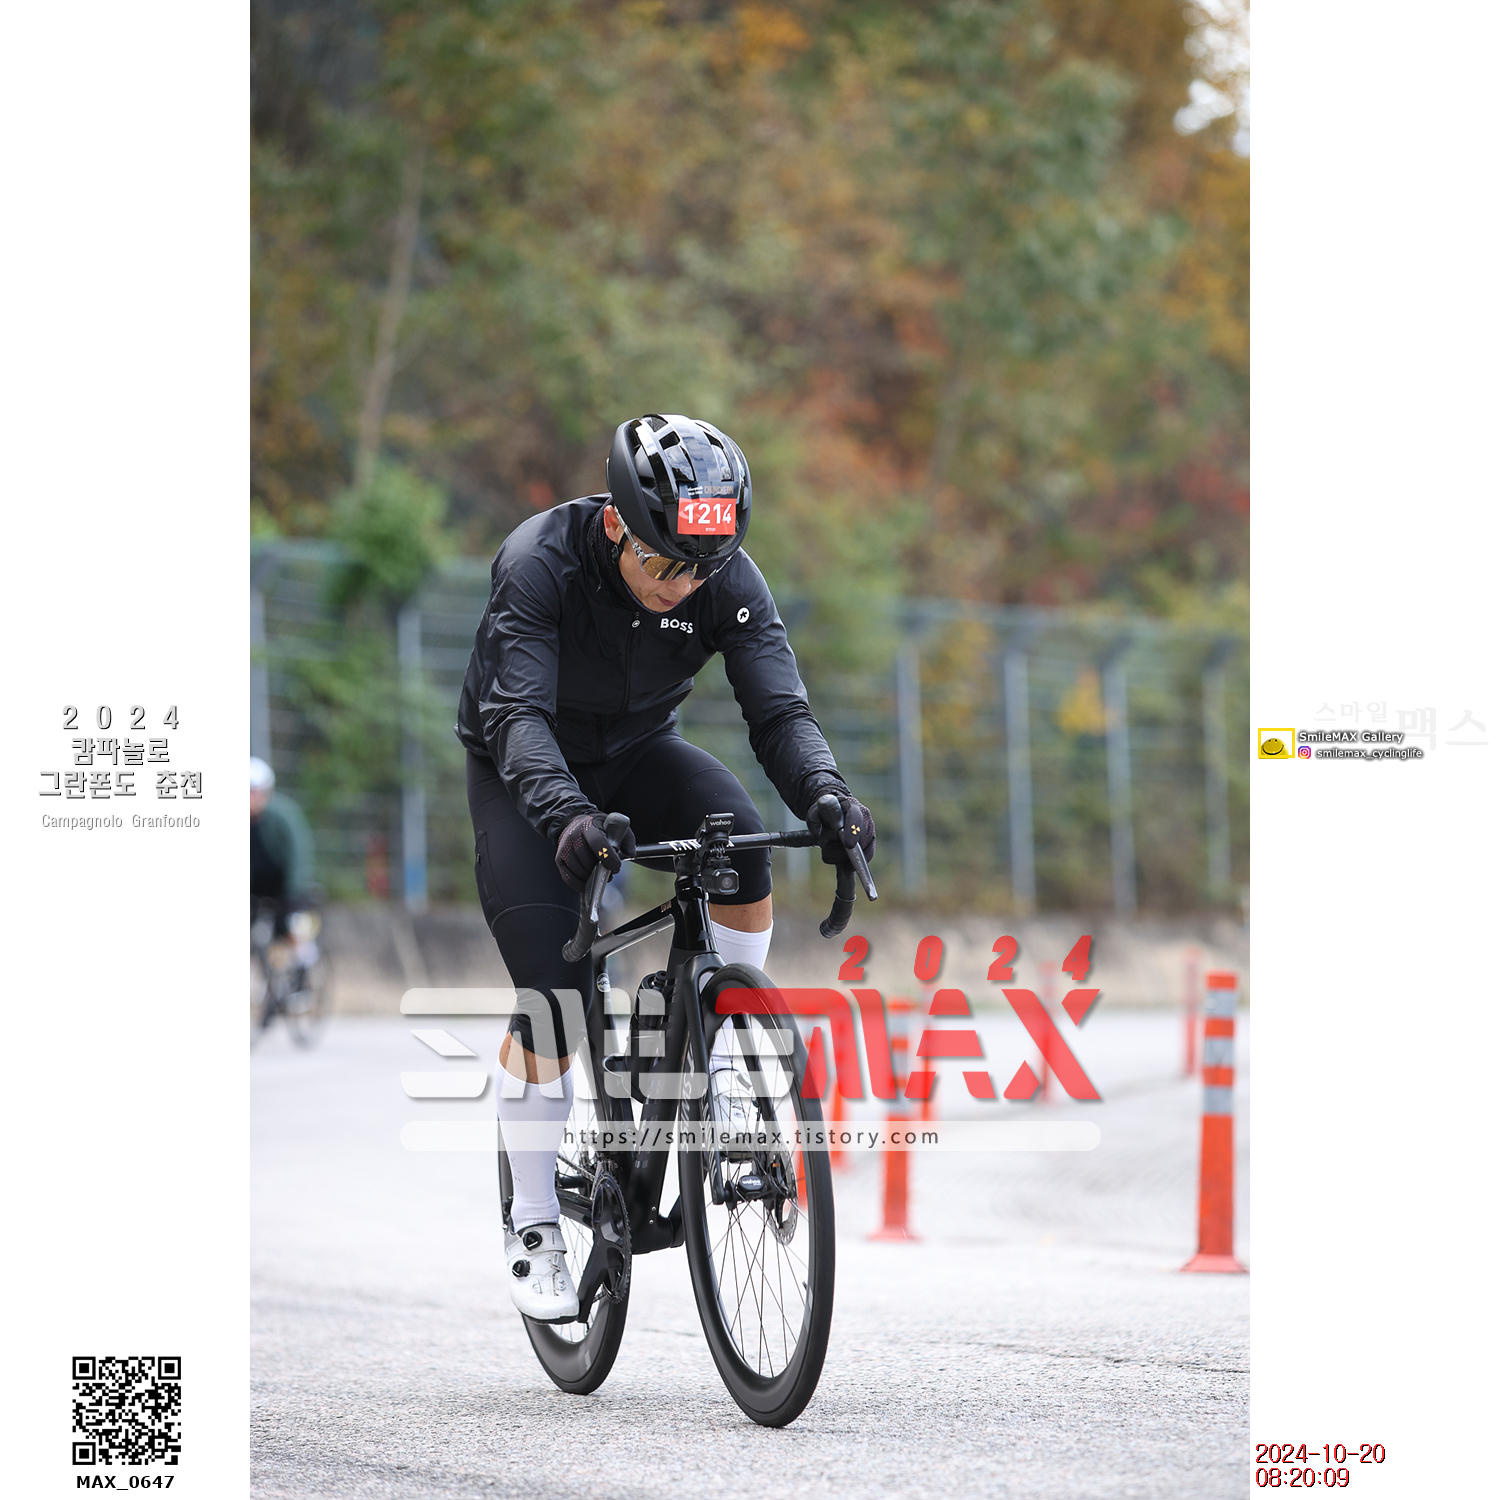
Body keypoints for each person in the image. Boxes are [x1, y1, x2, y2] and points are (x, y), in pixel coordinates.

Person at [456, 413, 876, 1320]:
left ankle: (719, 1062)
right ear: (617, 523)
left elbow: (779, 711)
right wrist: (566, 817)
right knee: (556, 995)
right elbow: (517, 717)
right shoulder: (539, 562)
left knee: (743, 846)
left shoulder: (727, 577)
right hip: (525, 771)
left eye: (699, 570)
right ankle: (534, 1217)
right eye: (663, 564)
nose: (679, 585)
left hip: (641, 749)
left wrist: (827, 795)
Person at [250, 756, 318, 952]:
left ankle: (305, 959)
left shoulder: (283, 817)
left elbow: (299, 856)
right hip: (257, 885)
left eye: (254, 792)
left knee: (294, 925)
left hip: (286, 885)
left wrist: (294, 890)